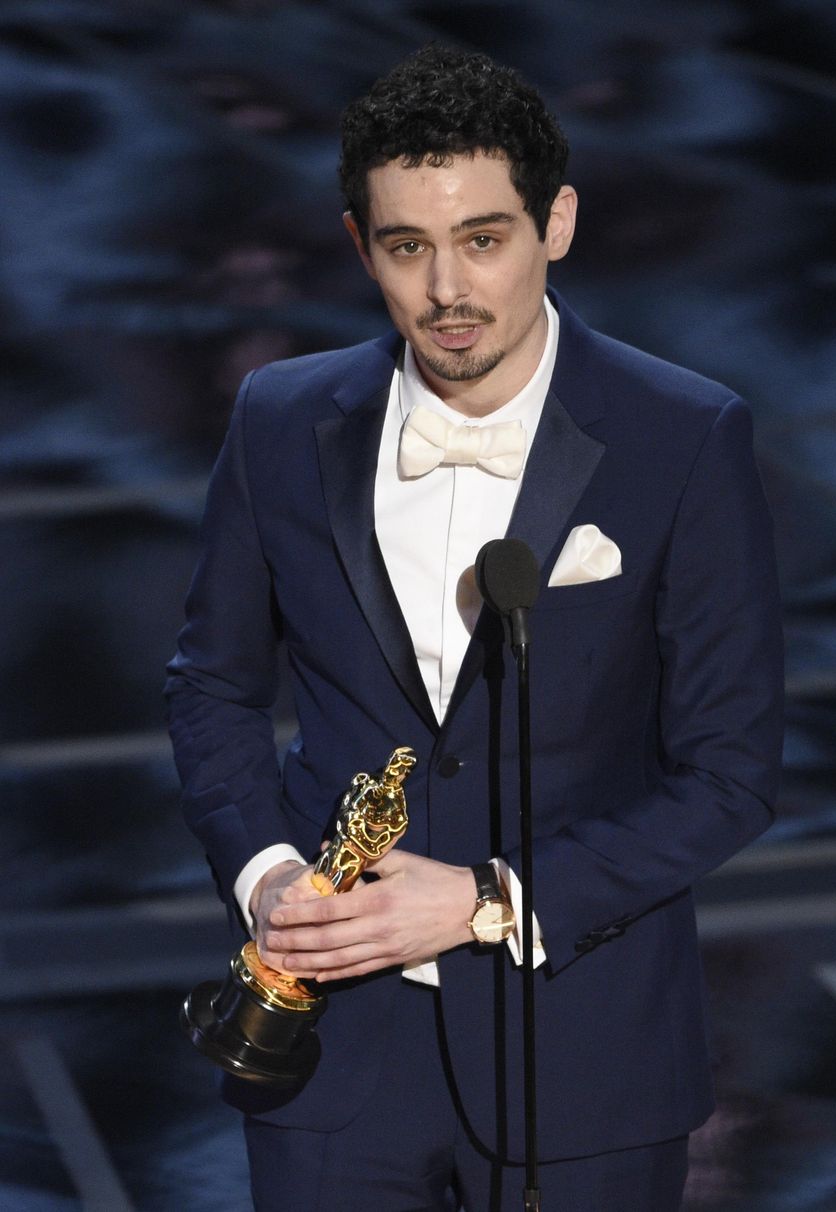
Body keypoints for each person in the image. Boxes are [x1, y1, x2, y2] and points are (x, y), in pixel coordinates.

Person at [166, 45, 784, 1212]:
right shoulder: (278, 419)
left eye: (483, 238)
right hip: (329, 1064)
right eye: (407, 247)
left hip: (585, 1066)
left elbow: (731, 773)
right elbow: (211, 687)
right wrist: (263, 876)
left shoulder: (684, 436)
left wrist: (490, 897)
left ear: (555, 222)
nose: (447, 288)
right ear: (360, 246)